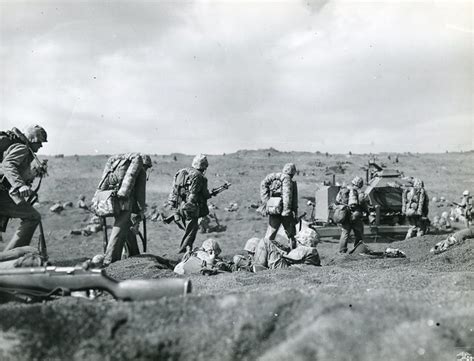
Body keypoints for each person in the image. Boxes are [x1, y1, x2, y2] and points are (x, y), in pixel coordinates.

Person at [96, 153, 152, 266]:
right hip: (125, 202)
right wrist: (140, 211)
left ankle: (133, 253)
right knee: (120, 227)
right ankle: (110, 259)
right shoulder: (140, 171)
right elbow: (140, 193)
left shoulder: (119, 168)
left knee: (126, 226)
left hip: (112, 199)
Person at [0, 125, 48, 251]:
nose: (41, 146)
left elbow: (16, 170)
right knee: (32, 217)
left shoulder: (24, 150)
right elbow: (8, 165)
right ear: (32, 139)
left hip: (5, 192)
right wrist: (20, 186)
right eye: (39, 142)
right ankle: (9, 256)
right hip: (2, 194)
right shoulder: (22, 148)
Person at [169, 154, 214, 253]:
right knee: (191, 233)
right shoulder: (200, 176)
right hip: (191, 208)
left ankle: (185, 250)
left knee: (188, 231)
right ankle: (183, 252)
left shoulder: (181, 172)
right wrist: (210, 194)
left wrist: (174, 207)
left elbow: (173, 190)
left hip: (179, 206)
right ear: (204, 166)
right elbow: (201, 194)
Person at [260, 163, 298, 250]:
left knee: (270, 234)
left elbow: (264, 184)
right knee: (291, 234)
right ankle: (294, 253)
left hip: (274, 210)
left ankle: (264, 252)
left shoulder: (275, 180)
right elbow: (287, 197)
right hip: (286, 213)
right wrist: (287, 211)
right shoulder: (287, 180)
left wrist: (266, 202)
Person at [253, 227, 321, 270]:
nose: (296, 242)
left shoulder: (305, 249)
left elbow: (290, 258)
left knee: (265, 242)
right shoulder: (310, 250)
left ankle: (259, 267)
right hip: (290, 268)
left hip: (285, 268)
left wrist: (280, 251)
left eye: (298, 240)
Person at [335, 176, 366, 253]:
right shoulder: (357, 191)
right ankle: (358, 250)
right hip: (355, 214)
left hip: (345, 213)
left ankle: (342, 251)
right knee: (359, 232)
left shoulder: (344, 189)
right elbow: (362, 201)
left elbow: (337, 200)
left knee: (345, 232)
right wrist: (366, 209)